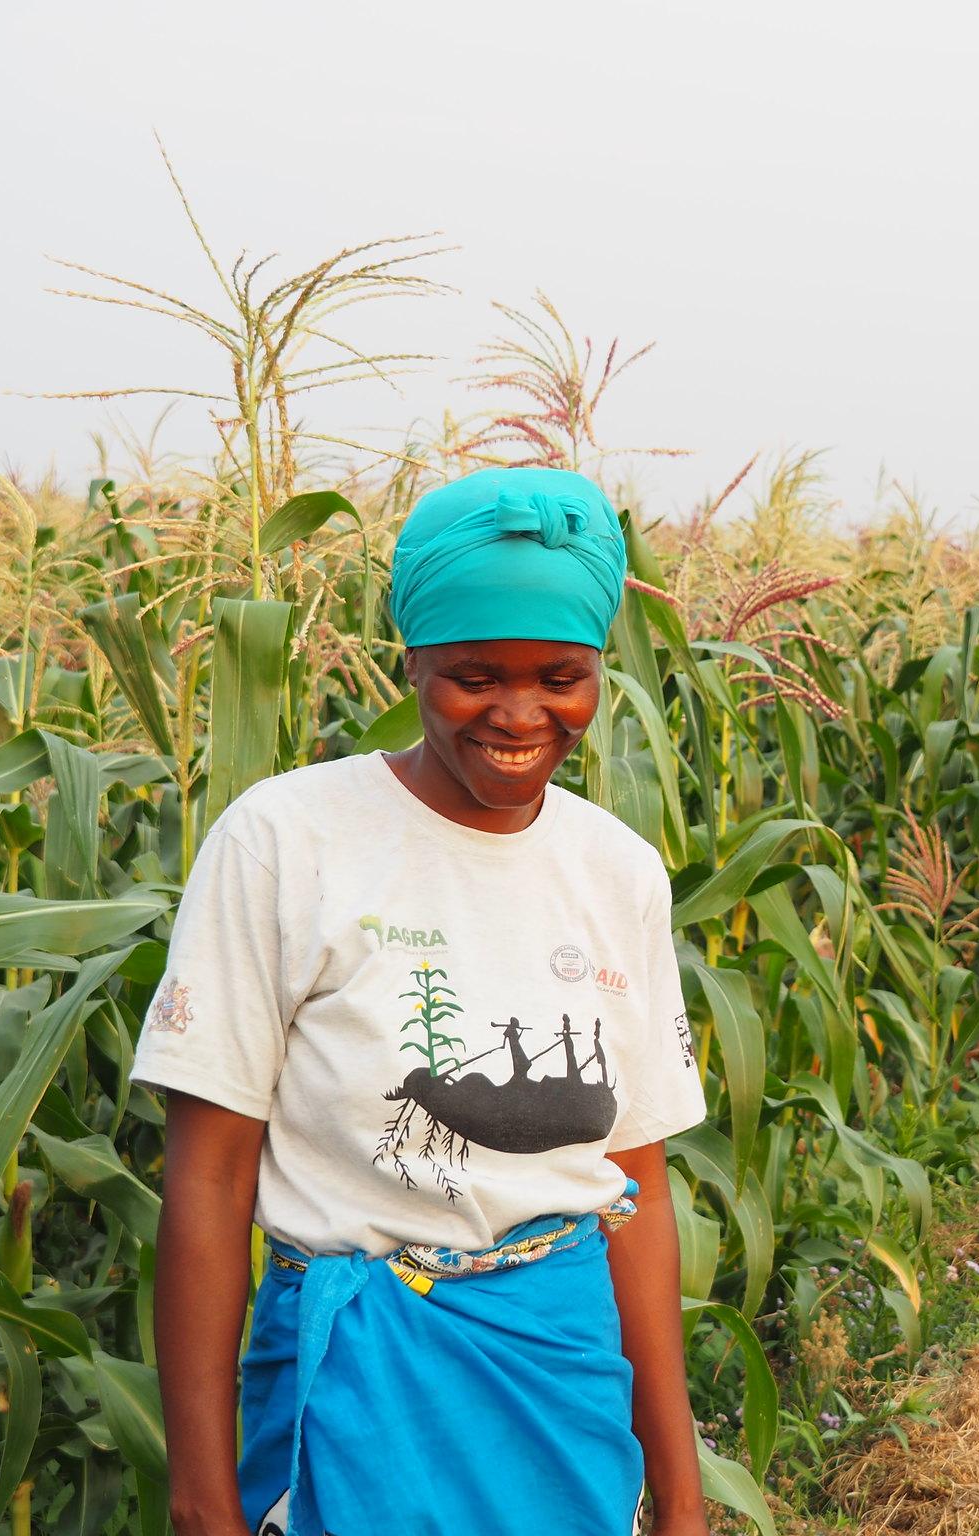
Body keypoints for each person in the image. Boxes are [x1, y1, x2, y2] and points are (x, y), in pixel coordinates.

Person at [132, 467, 711, 1536]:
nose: (520, 713)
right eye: (474, 676)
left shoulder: (615, 870)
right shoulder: (286, 839)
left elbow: (635, 1184)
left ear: (599, 674)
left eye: (562, 677)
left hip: (560, 1369)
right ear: (413, 663)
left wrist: (679, 1492)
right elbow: (208, 1181)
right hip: (356, 1378)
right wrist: (203, 1502)